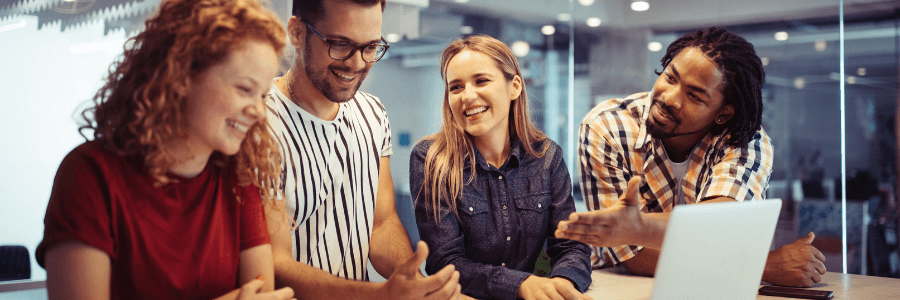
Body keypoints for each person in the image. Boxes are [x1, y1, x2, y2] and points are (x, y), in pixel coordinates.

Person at [36, 0, 295, 299]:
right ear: (182, 76)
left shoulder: (238, 179)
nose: (259, 113)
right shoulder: (89, 174)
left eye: (262, 95)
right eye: (244, 89)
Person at [555, 27, 827, 288]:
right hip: (629, 288)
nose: (670, 98)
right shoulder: (607, 128)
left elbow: (722, 225)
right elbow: (634, 257)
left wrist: (636, 228)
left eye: (694, 95)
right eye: (670, 77)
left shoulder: (744, 140)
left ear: (724, 114)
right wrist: (762, 267)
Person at [263, 0, 460, 299]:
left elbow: (381, 224)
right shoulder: (257, 121)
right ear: (298, 32)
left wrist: (412, 281)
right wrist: (378, 294)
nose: (357, 63)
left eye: (370, 47)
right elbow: (274, 263)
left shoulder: (373, 113)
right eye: (341, 45)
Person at [410, 34, 593, 300]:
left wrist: (562, 283)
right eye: (456, 87)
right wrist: (521, 285)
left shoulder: (547, 157)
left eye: (481, 81)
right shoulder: (430, 159)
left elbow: (571, 245)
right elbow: (445, 262)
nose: (467, 96)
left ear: (514, 86)